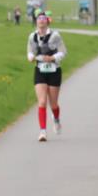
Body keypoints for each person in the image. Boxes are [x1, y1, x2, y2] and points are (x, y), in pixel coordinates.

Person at [27, 13, 67, 142]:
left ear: (47, 22)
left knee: (53, 103)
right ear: (36, 22)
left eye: (43, 19)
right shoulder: (32, 36)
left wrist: (52, 58)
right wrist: (30, 57)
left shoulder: (55, 35)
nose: (41, 21)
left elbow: (63, 51)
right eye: (39, 19)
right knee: (42, 102)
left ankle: (56, 119)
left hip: (54, 70)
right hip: (40, 70)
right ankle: (42, 131)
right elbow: (30, 51)